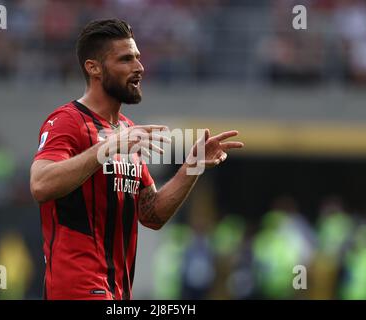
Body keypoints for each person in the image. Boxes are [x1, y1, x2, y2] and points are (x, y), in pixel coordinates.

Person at [29, 18, 244, 300]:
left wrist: (193, 165)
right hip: (77, 290)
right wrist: (107, 148)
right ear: (93, 68)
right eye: (126, 59)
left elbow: (151, 214)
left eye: (138, 58)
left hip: (117, 292)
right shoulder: (67, 122)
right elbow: (40, 184)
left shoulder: (127, 132)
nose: (139, 68)